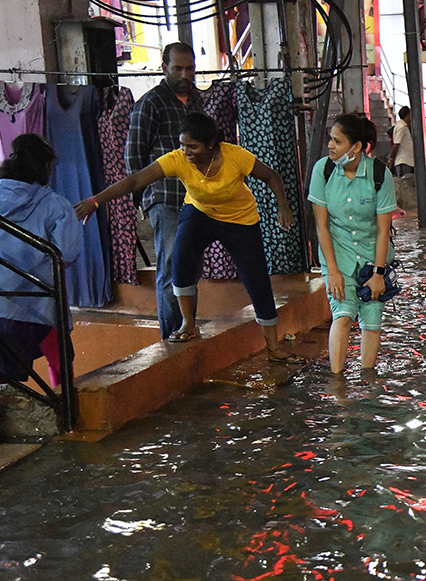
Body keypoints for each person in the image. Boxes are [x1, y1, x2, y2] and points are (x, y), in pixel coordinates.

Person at [77, 113, 301, 363]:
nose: (186, 151)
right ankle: (188, 324)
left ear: (211, 144)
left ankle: (273, 348)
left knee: (257, 281)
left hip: (239, 220)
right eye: (183, 145)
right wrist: (95, 200)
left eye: (192, 146)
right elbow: (136, 180)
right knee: (180, 256)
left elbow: (272, 176)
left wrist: (284, 206)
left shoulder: (235, 155)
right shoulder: (177, 159)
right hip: (200, 213)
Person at [0, 134, 84, 389]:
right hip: (38, 296)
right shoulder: (55, 205)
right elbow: (66, 253)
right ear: (46, 167)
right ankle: (66, 413)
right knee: (59, 362)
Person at [308, 113, 398, 376]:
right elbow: (321, 226)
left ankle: (368, 381)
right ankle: (337, 383)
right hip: (338, 254)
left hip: (374, 257)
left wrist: (379, 274)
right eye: (330, 140)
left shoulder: (380, 175)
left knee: (371, 319)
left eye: (337, 141)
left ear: (356, 147)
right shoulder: (323, 171)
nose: (330, 146)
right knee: (343, 314)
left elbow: (383, 231)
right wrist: (333, 271)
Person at [126, 41, 205, 341]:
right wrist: (146, 200)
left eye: (190, 68)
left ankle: (188, 328)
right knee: (171, 268)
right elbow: (134, 157)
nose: (185, 74)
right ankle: (172, 335)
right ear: (164, 69)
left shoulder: (197, 102)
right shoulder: (150, 103)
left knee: (190, 268)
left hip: (198, 200)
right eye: (178, 68)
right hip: (166, 198)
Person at [388, 106, 415, 178]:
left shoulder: (405, 126)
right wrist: (391, 158)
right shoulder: (401, 127)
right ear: (408, 115)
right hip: (404, 161)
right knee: (405, 183)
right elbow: (396, 144)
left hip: (409, 160)